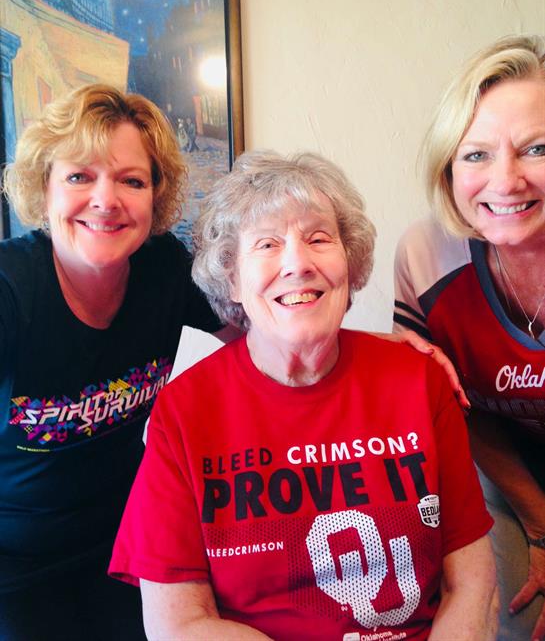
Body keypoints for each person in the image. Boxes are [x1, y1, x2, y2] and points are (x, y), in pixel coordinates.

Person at [110, 150, 497, 640]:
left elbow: (472, 584)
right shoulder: (185, 410)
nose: (297, 263)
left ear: (349, 263)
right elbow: (178, 623)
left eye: (318, 239)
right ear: (232, 278)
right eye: (267, 244)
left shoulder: (420, 381)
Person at [0, 84, 228, 641]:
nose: (106, 200)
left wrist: (386, 353)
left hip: (131, 541)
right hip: (16, 566)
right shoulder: (12, 287)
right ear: (44, 188)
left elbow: (263, 333)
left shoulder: (164, 269)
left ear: (155, 196)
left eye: (131, 181)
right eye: (80, 176)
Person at [393, 34, 545, 641]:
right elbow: (457, 407)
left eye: (536, 148)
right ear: (448, 168)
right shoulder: (426, 255)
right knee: (511, 621)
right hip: (503, 465)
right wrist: (539, 523)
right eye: (476, 154)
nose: (505, 181)